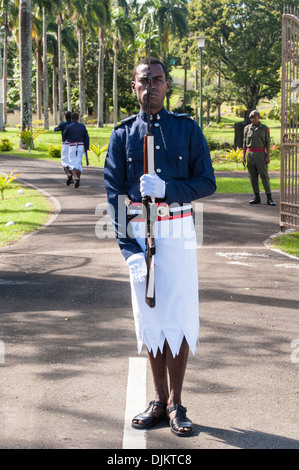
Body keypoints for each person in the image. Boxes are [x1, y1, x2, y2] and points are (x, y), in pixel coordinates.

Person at [104, 57, 216, 437]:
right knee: (151, 319)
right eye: (143, 80)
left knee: (180, 318)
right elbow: (114, 196)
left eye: (157, 80)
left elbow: (207, 182)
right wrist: (129, 250)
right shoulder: (122, 136)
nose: (150, 86)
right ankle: (158, 398)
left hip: (178, 232)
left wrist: (170, 190)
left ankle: (176, 403)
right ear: (133, 87)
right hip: (142, 237)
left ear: (167, 86)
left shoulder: (186, 130)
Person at [242, 110, 276, 205]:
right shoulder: (247, 129)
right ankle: (257, 197)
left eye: (255, 116)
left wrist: (268, 156)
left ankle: (269, 198)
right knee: (253, 177)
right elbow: (244, 143)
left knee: (264, 176)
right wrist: (243, 157)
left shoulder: (265, 128)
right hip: (250, 154)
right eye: (251, 117)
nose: (253, 118)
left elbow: (268, 143)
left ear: (258, 117)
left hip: (260, 154)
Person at [63, 112, 89, 188]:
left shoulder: (68, 127)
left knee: (72, 162)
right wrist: (86, 147)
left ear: (71, 119)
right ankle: (78, 178)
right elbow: (86, 137)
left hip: (72, 145)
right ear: (78, 119)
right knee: (78, 162)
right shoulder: (82, 126)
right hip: (81, 145)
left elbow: (64, 137)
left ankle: (76, 177)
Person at [54, 111, 73, 185]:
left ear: (65, 117)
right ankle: (74, 176)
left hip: (65, 144)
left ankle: (68, 174)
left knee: (64, 161)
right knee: (72, 160)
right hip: (74, 144)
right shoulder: (74, 125)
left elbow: (56, 129)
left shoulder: (63, 124)